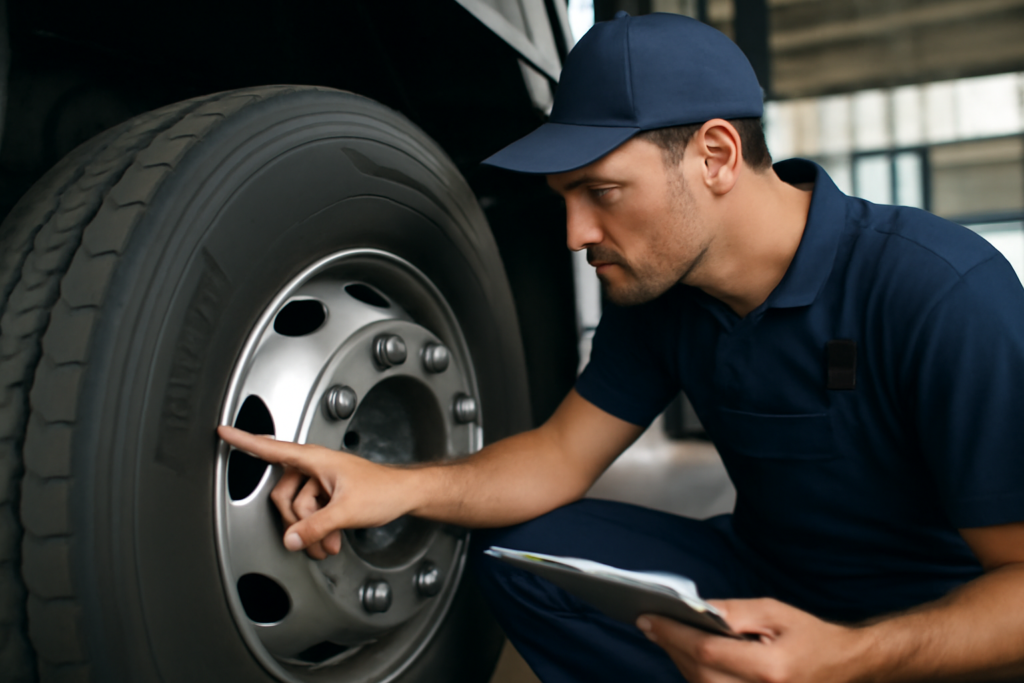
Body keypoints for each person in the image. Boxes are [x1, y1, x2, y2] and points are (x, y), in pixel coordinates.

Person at [218, 12, 1024, 683]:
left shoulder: (941, 290)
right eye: (565, 200)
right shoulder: (666, 292)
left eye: (601, 192)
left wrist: (851, 656)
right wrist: (392, 484)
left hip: (928, 619)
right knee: (519, 553)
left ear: (715, 156)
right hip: (765, 578)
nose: (576, 235)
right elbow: (556, 458)